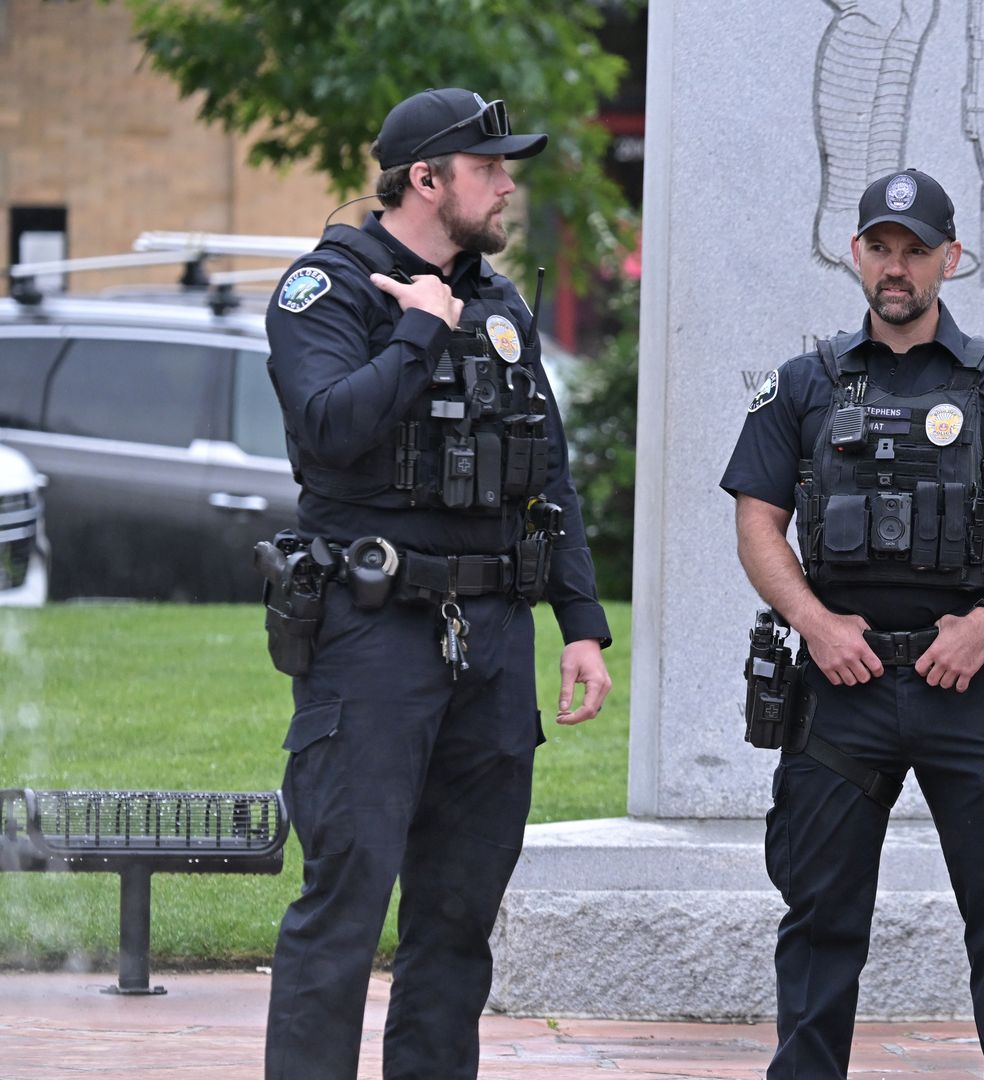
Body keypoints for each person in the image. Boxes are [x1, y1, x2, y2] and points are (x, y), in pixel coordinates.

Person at [260, 87, 613, 1079]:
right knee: (345, 905)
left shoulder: (498, 302)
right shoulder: (327, 292)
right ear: (426, 179)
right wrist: (416, 331)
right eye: (491, 168)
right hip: (372, 636)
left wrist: (580, 624)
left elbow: (546, 470)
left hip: (491, 644)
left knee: (459, 921)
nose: (508, 185)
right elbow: (327, 428)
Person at [721, 168, 984, 1080]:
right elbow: (757, 522)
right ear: (856, 255)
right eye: (880, 248)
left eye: (916, 251)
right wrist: (812, 622)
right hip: (840, 688)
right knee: (819, 917)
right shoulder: (803, 386)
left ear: (949, 260)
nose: (897, 267)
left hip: (972, 682)